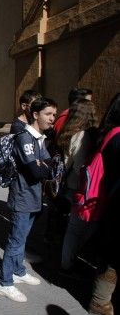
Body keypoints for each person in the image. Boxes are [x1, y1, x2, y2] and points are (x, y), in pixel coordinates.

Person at [0, 98, 57, 303]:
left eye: (54, 114)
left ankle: (19, 271)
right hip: (22, 196)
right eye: (48, 114)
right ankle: (4, 282)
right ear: (36, 115)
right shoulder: (24, 138)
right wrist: (42, 165)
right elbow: (36, 170)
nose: (53, 119)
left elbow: (49, 165)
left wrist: (43, 165)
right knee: (16, 240)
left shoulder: (39, 138)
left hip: (34, 196)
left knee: (23, 237)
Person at [55, 99, 98, 274]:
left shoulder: (71, 131)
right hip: (78, 187)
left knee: (73, 227)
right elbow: (80, 166)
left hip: (71, 185)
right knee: (76, 229)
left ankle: (68, 259)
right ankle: (67, 263)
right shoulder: (82, 135)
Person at [88, 93, 120, 315]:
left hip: (111, 201)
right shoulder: (118, 136)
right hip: (116, 204)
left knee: (110, 254)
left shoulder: (110, 132)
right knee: (112, 257)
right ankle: (100, 304)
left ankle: (100, 302)